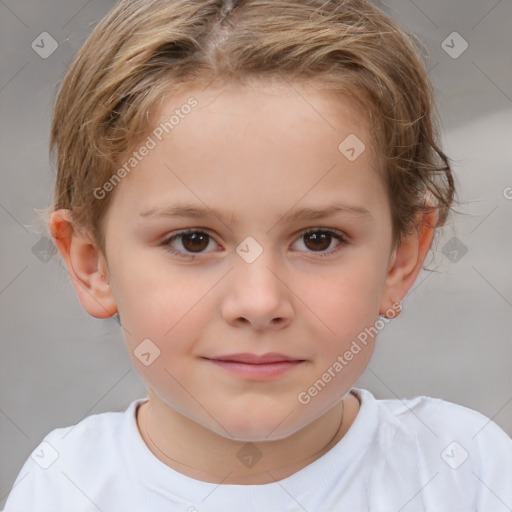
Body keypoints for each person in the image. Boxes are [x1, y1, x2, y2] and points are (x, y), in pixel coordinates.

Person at [4, 0, 511, 510]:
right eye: (193, 240)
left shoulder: (464, 472)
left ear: (400, 258)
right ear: (93, 265)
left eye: (318, 239)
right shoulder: (64, 489)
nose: (259, 301)